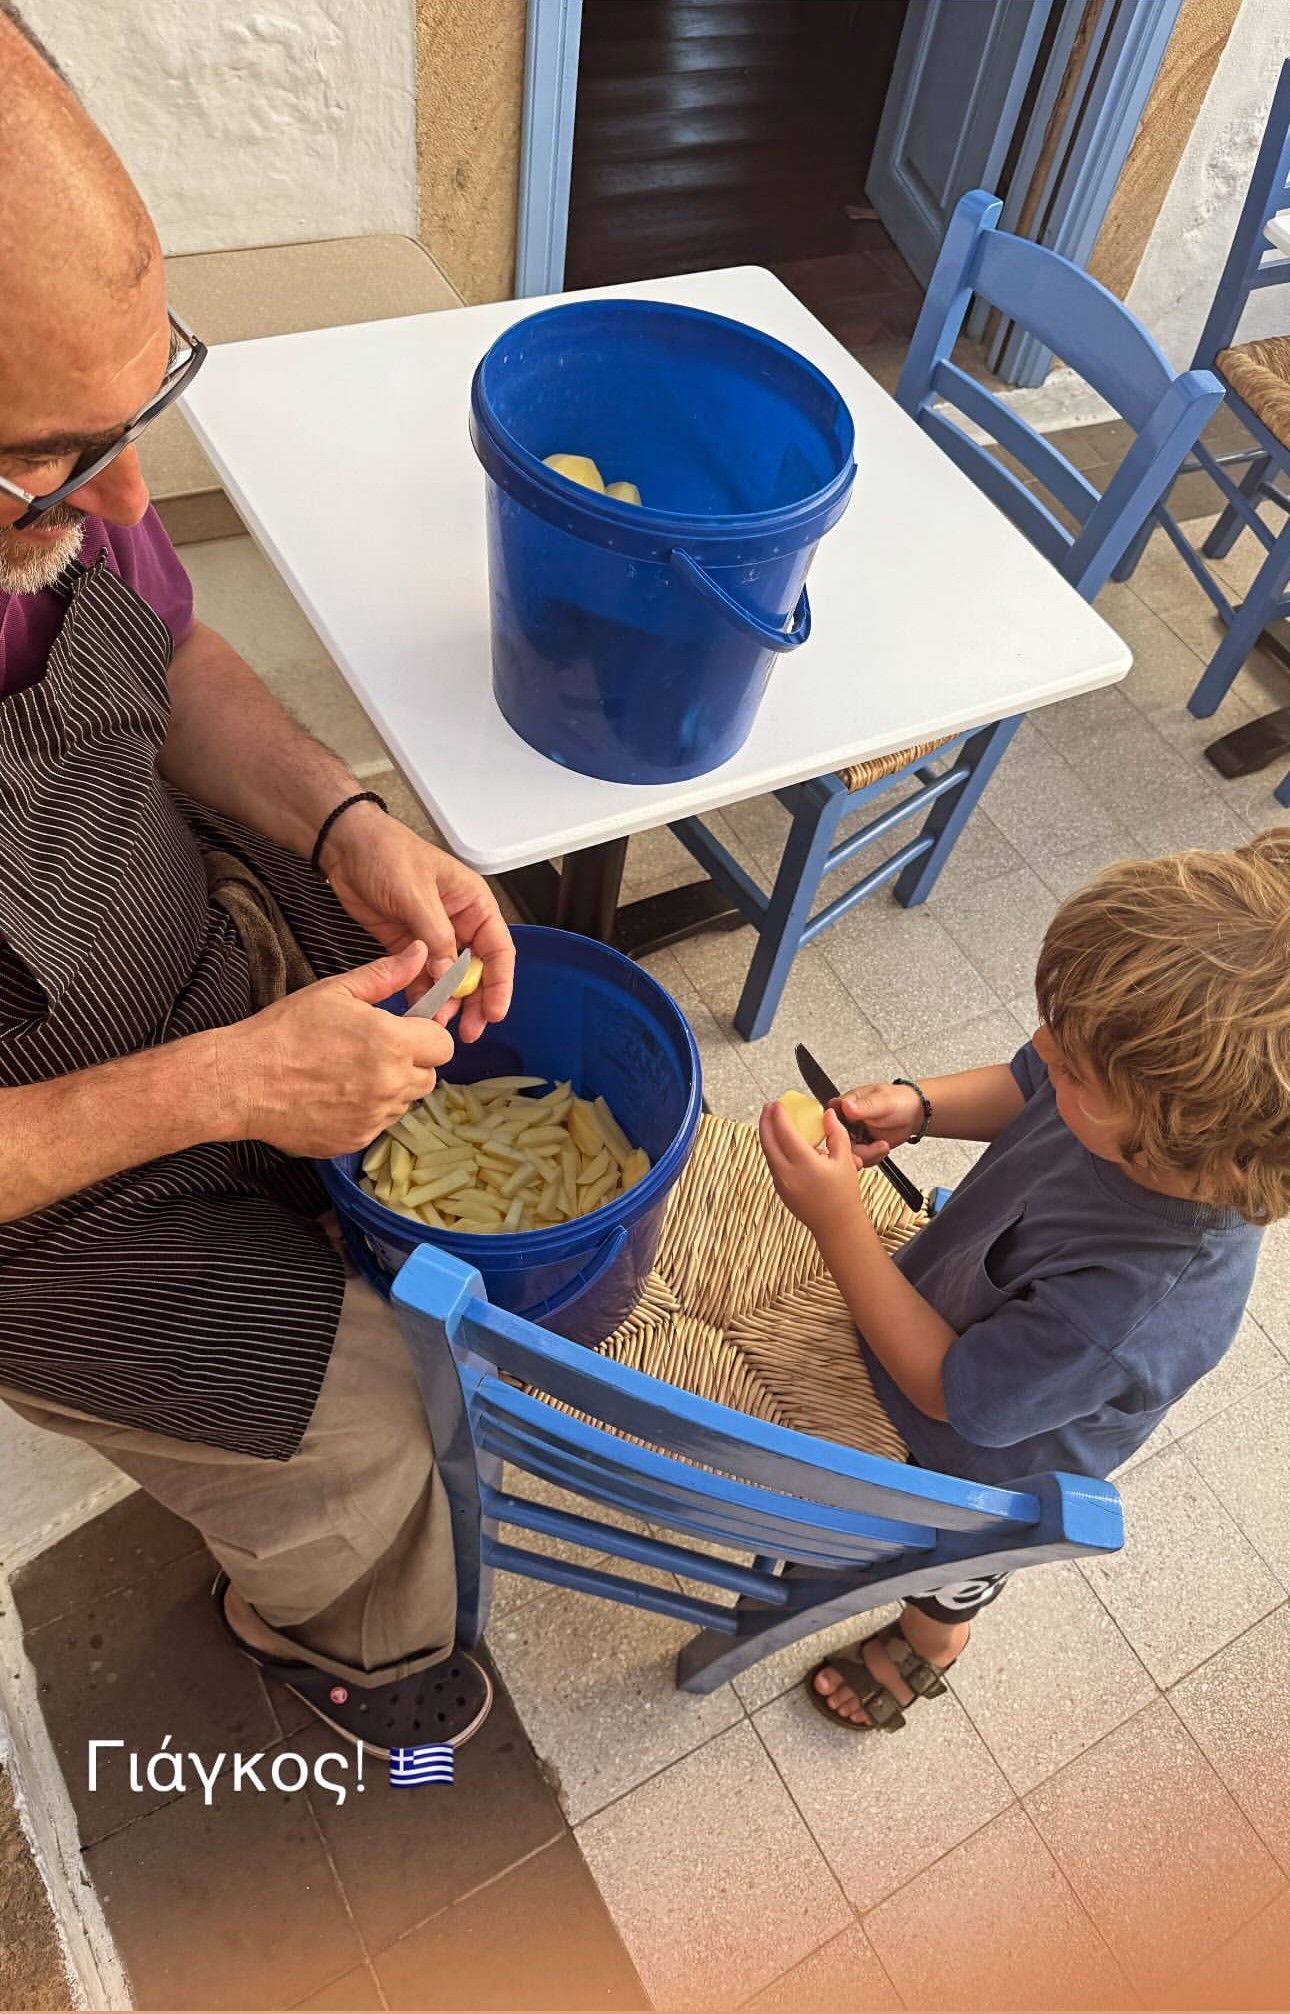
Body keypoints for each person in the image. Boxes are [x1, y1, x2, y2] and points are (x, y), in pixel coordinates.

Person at [0, 4, 516, 1755]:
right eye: (52, 468)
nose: (136, 489)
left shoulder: (61, 458)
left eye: (145, 394)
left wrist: (336, 821)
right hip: (39, 1203)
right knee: (375, 1419)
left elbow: (165, 644)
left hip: (166, 936)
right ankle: (344, 1647)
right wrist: (228, 1082)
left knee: (454, 1076)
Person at [759, 833, 1290, 1734]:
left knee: (954, 1561)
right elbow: (1027, 1081)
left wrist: (838, 1220)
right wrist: (922, 1105)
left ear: (1174, 1135)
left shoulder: (1141, 1304)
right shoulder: (1124, 1105)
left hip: (981, 1455)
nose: (1044, 1045)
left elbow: (947, 1392)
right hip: (943, 1296)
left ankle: (934, 1642)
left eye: (1076, 1067)